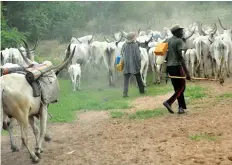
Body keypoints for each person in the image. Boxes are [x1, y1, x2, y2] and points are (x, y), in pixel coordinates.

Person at [163, 25, 191, 114]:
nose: (182, 32)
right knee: (182, 86)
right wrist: (187, 73)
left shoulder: (168, 40)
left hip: (170, 67)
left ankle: (181, 108)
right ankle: (169, 102)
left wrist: (166, 69)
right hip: (177, 66)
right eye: (180, 31)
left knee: (177, 88)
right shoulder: (179, 41)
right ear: (176, 32)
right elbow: (180, 57)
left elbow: (165, 55)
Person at [120, 32, 145, 98]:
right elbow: (138, 56)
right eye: (134, 37)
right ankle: (142, 91)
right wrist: (139, 64)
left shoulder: (124, 45)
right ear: (132, 38)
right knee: (138, 78)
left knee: (126, 80)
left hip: (126, 65)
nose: (135, 38)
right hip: (134, 65)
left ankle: (125, 93)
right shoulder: (135, 45)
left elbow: (121, 54)